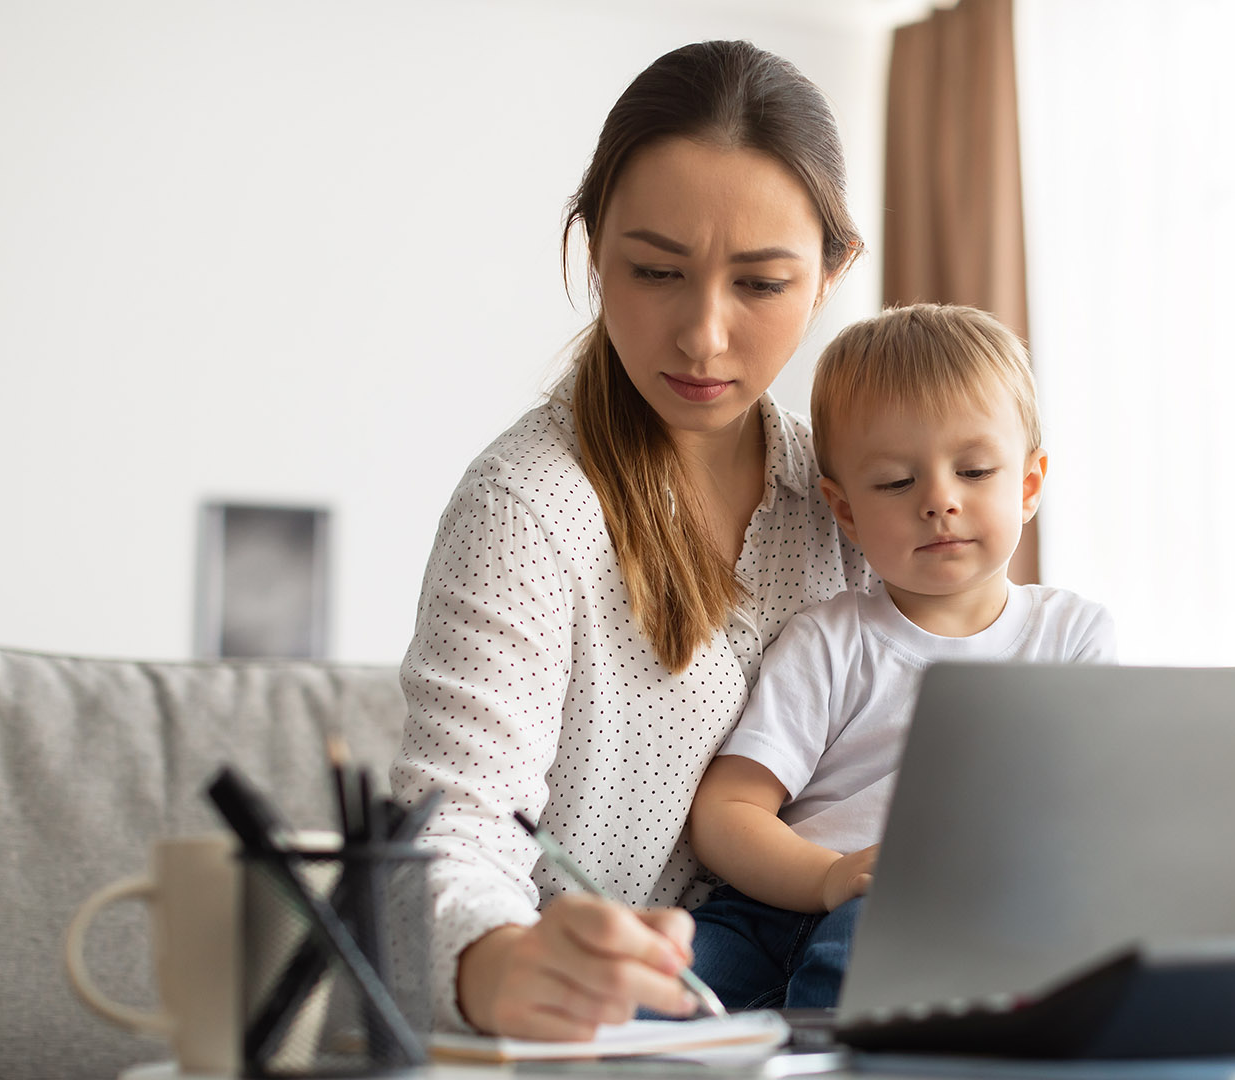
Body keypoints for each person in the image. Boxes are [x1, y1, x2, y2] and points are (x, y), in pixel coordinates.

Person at [388, 40, 874, 1039]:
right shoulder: (525, 510)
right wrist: (497, 960)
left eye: (760, 284)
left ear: (832, 273)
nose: (702, 334)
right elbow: (448, 842)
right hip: (597, 1043)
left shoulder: (859, 503)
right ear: (591, 246)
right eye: (656, 271)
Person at [683, 304, 1116, 1009]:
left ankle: (816, 1036)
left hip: (931, 913)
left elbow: (1095, 813)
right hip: (773, 909)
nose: (940, 502)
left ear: (1029, 485)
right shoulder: (829, 639)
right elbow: (727, 811)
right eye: (894, 483)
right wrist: (826, 877)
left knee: (862, 967)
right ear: (845, 510)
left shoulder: (1070, 636)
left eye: (974, 471)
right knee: (636, 995)